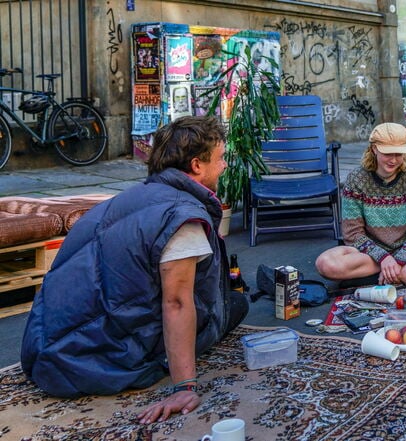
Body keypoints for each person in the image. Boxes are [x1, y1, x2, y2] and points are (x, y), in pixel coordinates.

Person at [20, 116, 249, 423]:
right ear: (196, 165)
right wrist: (184, 386)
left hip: (41, 348)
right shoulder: (182, 216)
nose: (224, 167)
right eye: (221, 159)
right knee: (232, 306)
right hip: (87, 359)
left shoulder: (125, 200)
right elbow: (176, 302)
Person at [316, 122, 406, 285]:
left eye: (399, 154)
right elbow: (352, 233)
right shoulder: (356, 179)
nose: (393, 160)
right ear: (374, 149)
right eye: (388, 153)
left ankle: (393, 273)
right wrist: (384, 258)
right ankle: (403, 275)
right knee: (326, 263)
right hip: (368, 254)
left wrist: (399, 259)